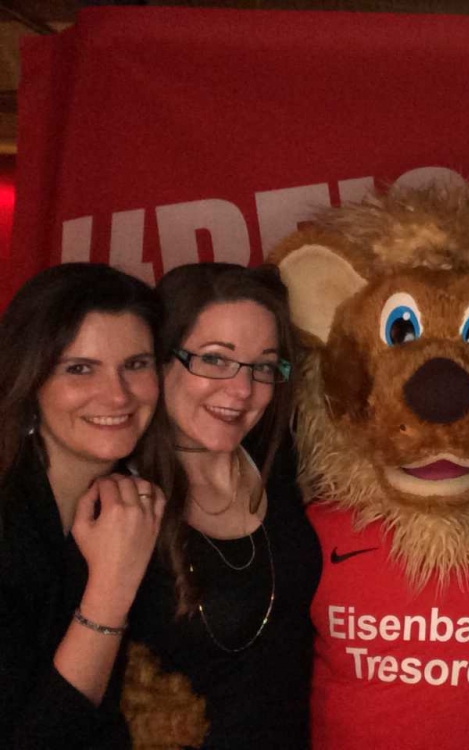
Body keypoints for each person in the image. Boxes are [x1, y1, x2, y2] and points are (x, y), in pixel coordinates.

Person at [129, 263, 321, 747]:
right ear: (160, 359)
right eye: (215, 359)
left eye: (263, 367)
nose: (242, 390)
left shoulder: (280, 461)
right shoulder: (121, 503)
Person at [0, 263, 168, 748]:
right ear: (29, 378)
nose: (117, 395)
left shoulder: (135, 498)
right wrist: (110, 590)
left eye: (136, 364)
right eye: (79, 368)